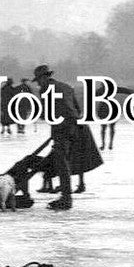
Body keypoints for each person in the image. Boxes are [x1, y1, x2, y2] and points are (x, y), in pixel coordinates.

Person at [33, 64, 80, 210]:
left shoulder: (45, 89)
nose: (39, 83)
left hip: (61, 129)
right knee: (64, 161)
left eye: (39, 80)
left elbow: (44, 113)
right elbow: (78, 109)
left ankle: (66, 198)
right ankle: (66, 195)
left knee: (62, 163)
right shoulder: (67, 87)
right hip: (74, 129)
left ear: (44, 77)